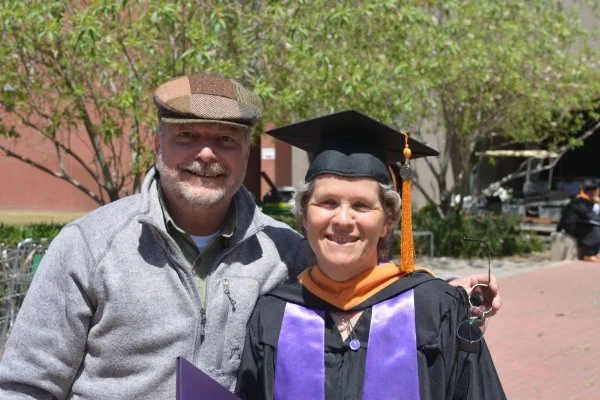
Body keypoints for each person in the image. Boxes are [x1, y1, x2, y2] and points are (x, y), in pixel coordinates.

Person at [0, 75, 501, 399]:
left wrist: (442, 298)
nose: (206, 154)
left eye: (225, 140)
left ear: (245, 151)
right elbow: (24, 385)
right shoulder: (90, 245)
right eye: (187, 136)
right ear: (158, 143)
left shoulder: (283, 250)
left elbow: (360, 281)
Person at [235, 110, 506, 399]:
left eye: (361, 206)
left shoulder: (437, 309)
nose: (342, 219)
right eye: (327, 203)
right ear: (304, 214)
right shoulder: (272, 316)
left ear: (388, 221)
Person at [557, 179, 600, 262]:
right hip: (573, 225)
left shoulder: (588, 200)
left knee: (596, 227)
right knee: (596, 230)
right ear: (592, 191)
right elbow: (589, 215)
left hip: (581, 223)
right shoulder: (579, 200)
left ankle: (593, 253)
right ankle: (590, 254)